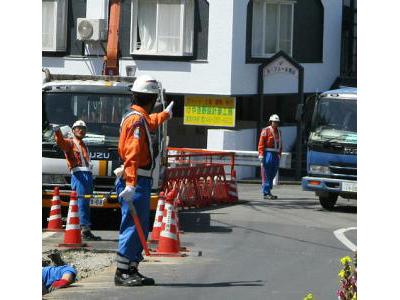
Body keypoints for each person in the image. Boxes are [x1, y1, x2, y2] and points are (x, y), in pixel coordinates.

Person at [114, 75, 174, 286]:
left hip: (139, 179)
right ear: (150, 99)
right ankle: (122, 272)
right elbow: (132, 154)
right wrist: (130, 183)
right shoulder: (137, 121)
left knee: (141, 226)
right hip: (136, 179)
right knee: (133, 225)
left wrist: (164, 115)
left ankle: (132, 268)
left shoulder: (138, 118)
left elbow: (151, 121)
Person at [53, 120, 101, 241]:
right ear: (73, 131)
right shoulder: (70, 143)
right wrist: (57, 131)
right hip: (79, 175)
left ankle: (84, 229)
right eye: (78, 128)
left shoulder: (82, 144)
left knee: (84, 202)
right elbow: (61, 142)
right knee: (82, 202)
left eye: (83, 128)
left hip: (86, 175)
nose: (81, 130)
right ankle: (84, 230)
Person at [258, 114, 282, 200]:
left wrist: (280, 154)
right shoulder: (266, 130)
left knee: (273, 173)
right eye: (274, 122)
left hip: (276, 154)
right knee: (266, 174)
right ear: (270, 122)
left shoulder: (279, 131)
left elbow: (280, 143)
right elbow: (261, 143)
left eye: (277, 122)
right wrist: (261, 154)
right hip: (268, 153)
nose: (275, 123)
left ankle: (268, 190)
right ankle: (266, 192)